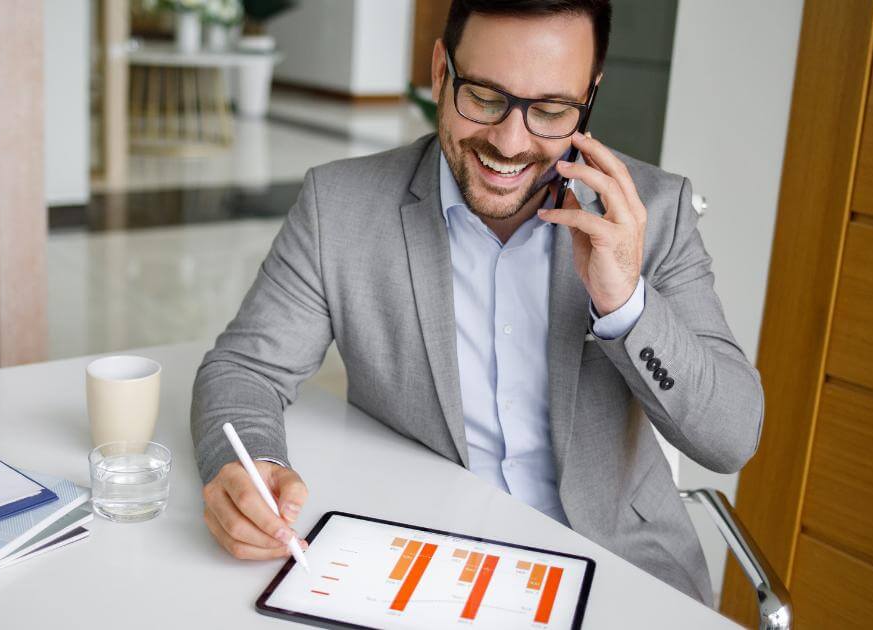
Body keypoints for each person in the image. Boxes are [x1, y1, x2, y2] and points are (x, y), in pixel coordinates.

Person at [190, 0, 763, 605]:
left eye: (550, 110)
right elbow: (243, 370)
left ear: (588, 96)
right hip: (425, 564)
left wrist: (625, 303)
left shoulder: (656, 211)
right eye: (486, 97)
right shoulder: (340, 206)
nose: (510, 143)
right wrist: (247, 470)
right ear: (441, 71)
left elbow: (730, 440)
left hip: (620, 571)